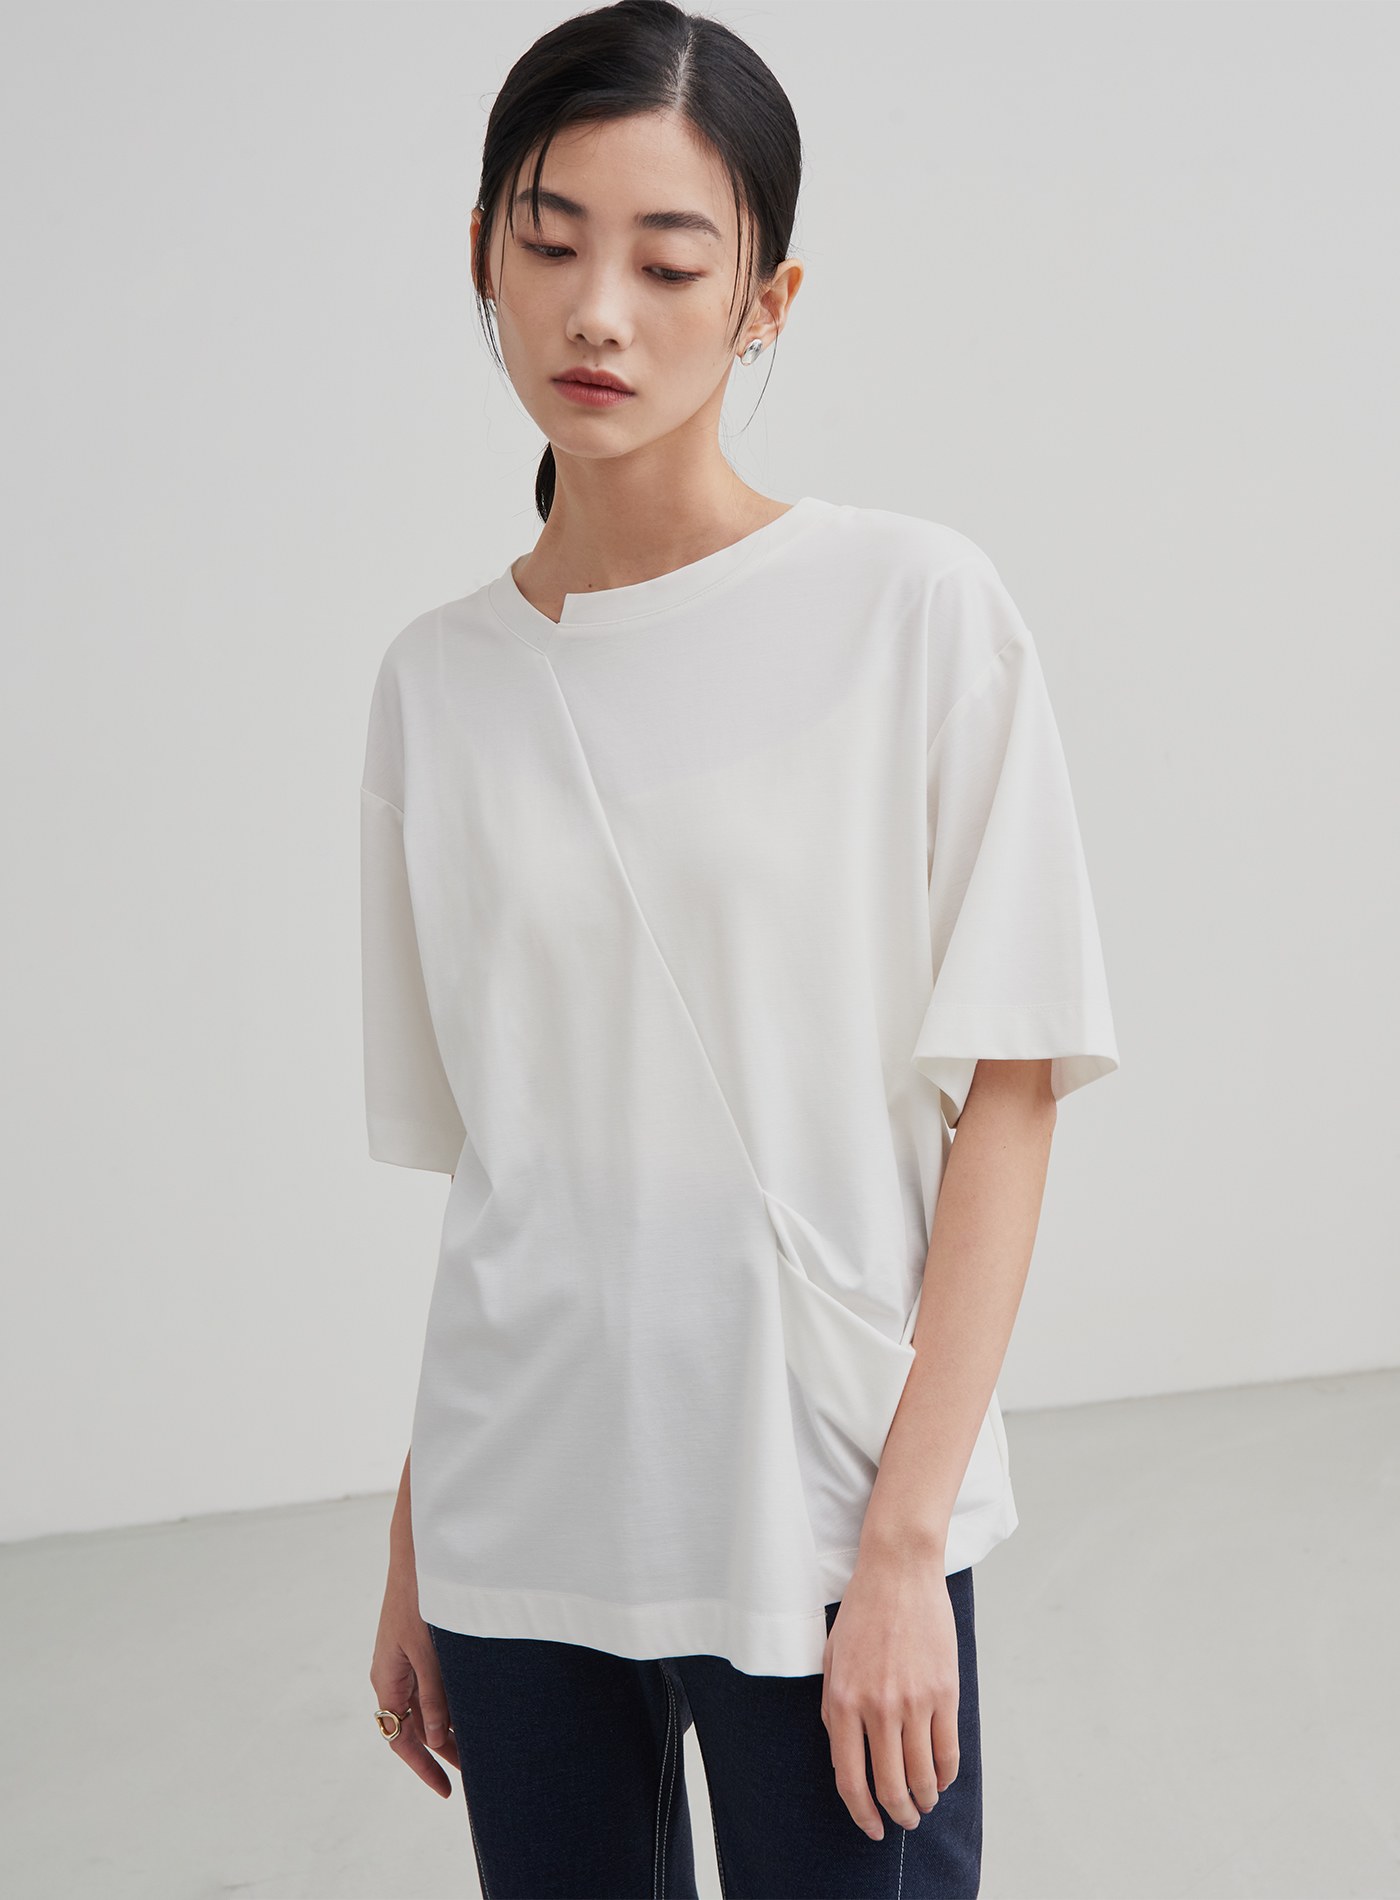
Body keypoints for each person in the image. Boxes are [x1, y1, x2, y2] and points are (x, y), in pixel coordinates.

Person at [360, 2, 1119, 1894]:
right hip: (522, 1524)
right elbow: (510, 1167)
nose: (596, 311)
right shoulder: (435, 685)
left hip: (822, 1514)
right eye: (549, 244)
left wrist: (904, 1549)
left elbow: (1012, 1090)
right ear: (483, 257)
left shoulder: (912, 611)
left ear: (767, 301)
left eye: (667, 261)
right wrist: (420, 1534)